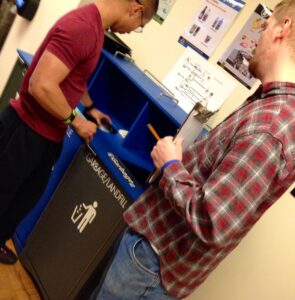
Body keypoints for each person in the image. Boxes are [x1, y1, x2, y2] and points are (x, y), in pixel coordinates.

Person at [90, 1, 295, 299]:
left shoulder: (271, 126)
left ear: (283, 29)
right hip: (150, 251)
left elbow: (213, 221)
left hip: (152, 264)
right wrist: (184, 162)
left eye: (263, 27)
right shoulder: (267, 105)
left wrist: (171, 164)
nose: (256, 39)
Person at [0, 0, 159, 265]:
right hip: (25, 132)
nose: (133, 31)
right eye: (140, 25)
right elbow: (42, 85)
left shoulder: (96, 27)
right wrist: (76, 120)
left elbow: (75, 74)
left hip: (46, 135)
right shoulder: (83, 27)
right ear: (136, 8)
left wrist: (90, 108)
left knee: (20, 202)